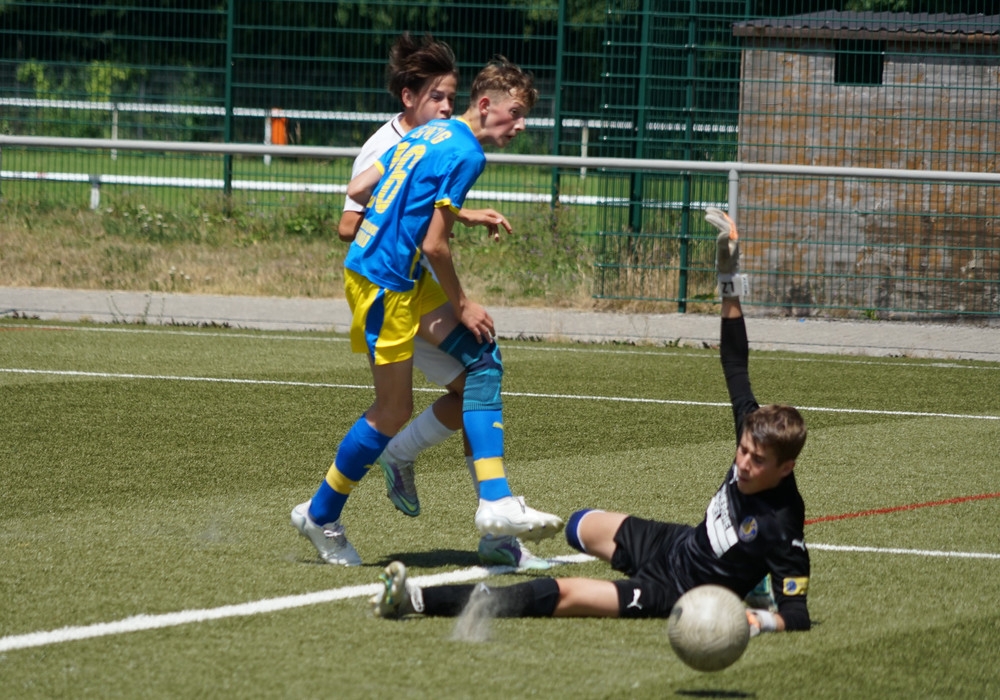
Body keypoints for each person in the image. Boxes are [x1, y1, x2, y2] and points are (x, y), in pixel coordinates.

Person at [369, 208, 811, 637]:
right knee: (579, 526)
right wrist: (729, 281)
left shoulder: (783, 524)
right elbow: (735, 364)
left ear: (785, 468)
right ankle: (748, 581)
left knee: (562, 593)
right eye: (744, 451)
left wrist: (756, 622)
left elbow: (796, 615)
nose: (744, 463)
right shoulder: (752, 429)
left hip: (678, 589)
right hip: (675, 544)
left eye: (757, 460)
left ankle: (415, 599)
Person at [291, 56, 563, 567]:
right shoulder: (467, 154)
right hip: (385, 284)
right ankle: (320, 513)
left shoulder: (427, 133)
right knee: (391, 411)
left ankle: (496, 514)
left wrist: (448, 211)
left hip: (394, 277)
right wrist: (463, 304)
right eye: (517, 113)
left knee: (483, 364)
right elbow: (436, 245)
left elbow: (359, 188)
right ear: (487, 105)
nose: (522, 125)